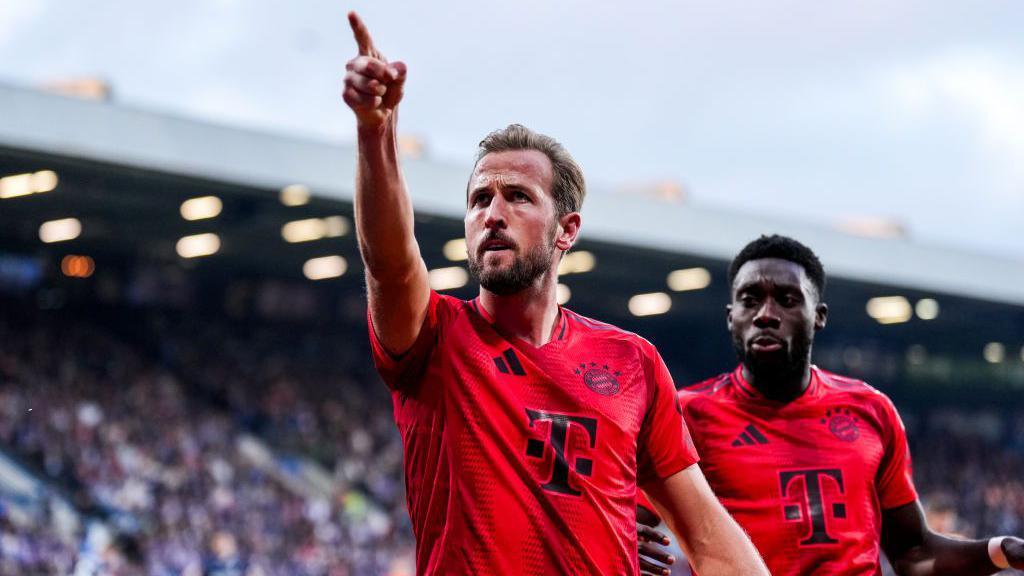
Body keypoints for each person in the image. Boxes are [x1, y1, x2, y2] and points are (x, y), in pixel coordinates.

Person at [342, 12, 767, 576]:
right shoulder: (435, 339)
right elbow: (391, 263)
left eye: (517, 196)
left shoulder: (632, 362)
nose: (491, 214)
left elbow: (708, 537)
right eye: (478, 200)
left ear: (566, 230)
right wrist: (376, 132)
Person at [638, 234, 1024, 575]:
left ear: (818, 316)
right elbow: (624, 518)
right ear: (731, 318)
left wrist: (1001, 551)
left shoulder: (871, 410)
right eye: (749, 300)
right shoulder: (687, 414)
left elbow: (913, 552)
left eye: (787, 300)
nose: (766, 315)